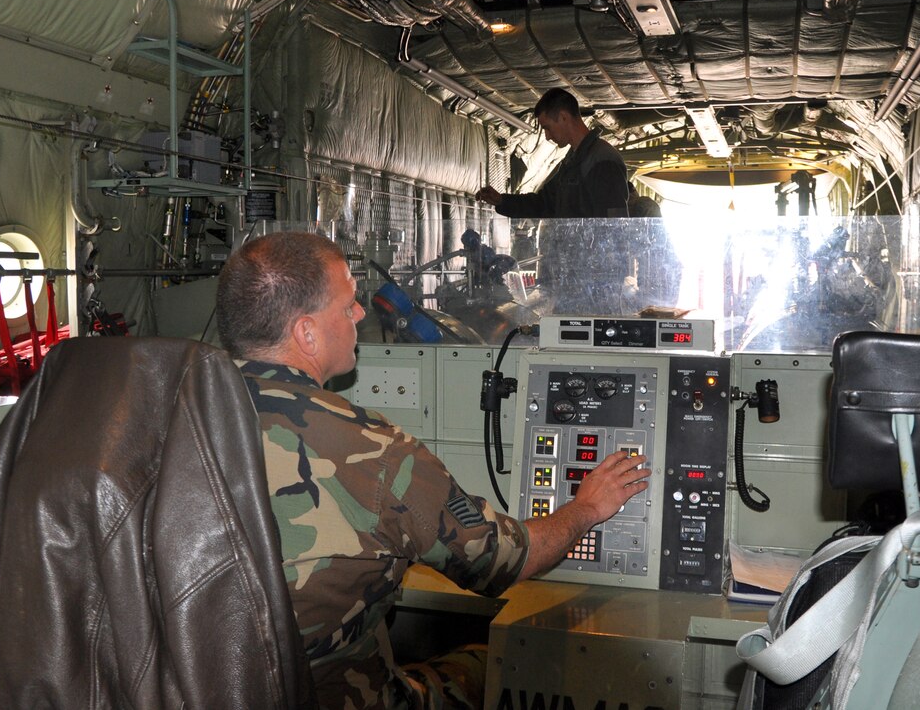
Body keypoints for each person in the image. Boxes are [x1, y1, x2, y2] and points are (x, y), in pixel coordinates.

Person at [215, 231, 651, 709]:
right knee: (491, 664)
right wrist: (586, 508)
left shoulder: (165, 420)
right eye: (348, 305)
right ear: (306, 333)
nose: (361, 313)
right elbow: (503, 561)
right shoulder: (372, 451)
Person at [476, 88, 629, 219]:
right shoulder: (572, 161)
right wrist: (502, 201)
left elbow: (614, 224)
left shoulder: (602, 160)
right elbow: (545, 203)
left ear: (563, 117)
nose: (547, 136)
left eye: (547, 128)